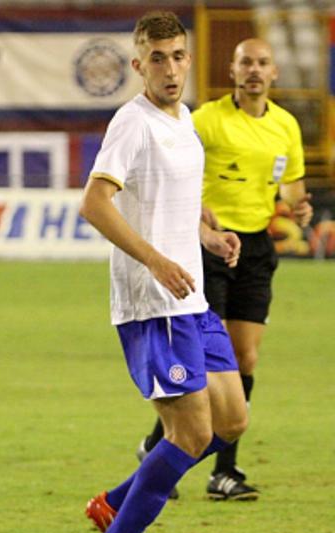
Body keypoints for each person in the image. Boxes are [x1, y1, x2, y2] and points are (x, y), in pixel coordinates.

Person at [79, 11, 246, 533]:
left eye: (178, 56)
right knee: (191, 433)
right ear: (137, 64)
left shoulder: (185, 119)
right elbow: (95, 203)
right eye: (157, 58)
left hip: (191, 300)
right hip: (153, 303)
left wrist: (208, 234)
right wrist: (155, 260)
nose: (170, 69)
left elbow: (175, 199)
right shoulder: (133, 122)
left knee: (232, 419)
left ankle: (113, 502)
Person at [134, 37, 310, 501]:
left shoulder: (286, 126)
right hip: (206, 245)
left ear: (274, 73)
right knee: (209, 361)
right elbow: (180, 173)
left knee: (244, 358)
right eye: (245, 62)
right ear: (231, 70)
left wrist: (300, 206)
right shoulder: (207, 120)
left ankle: (173, 455)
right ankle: (208, 467)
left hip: (254, 246)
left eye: (262, 63)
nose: (254, 70)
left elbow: (290, 183)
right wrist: (201, 215)